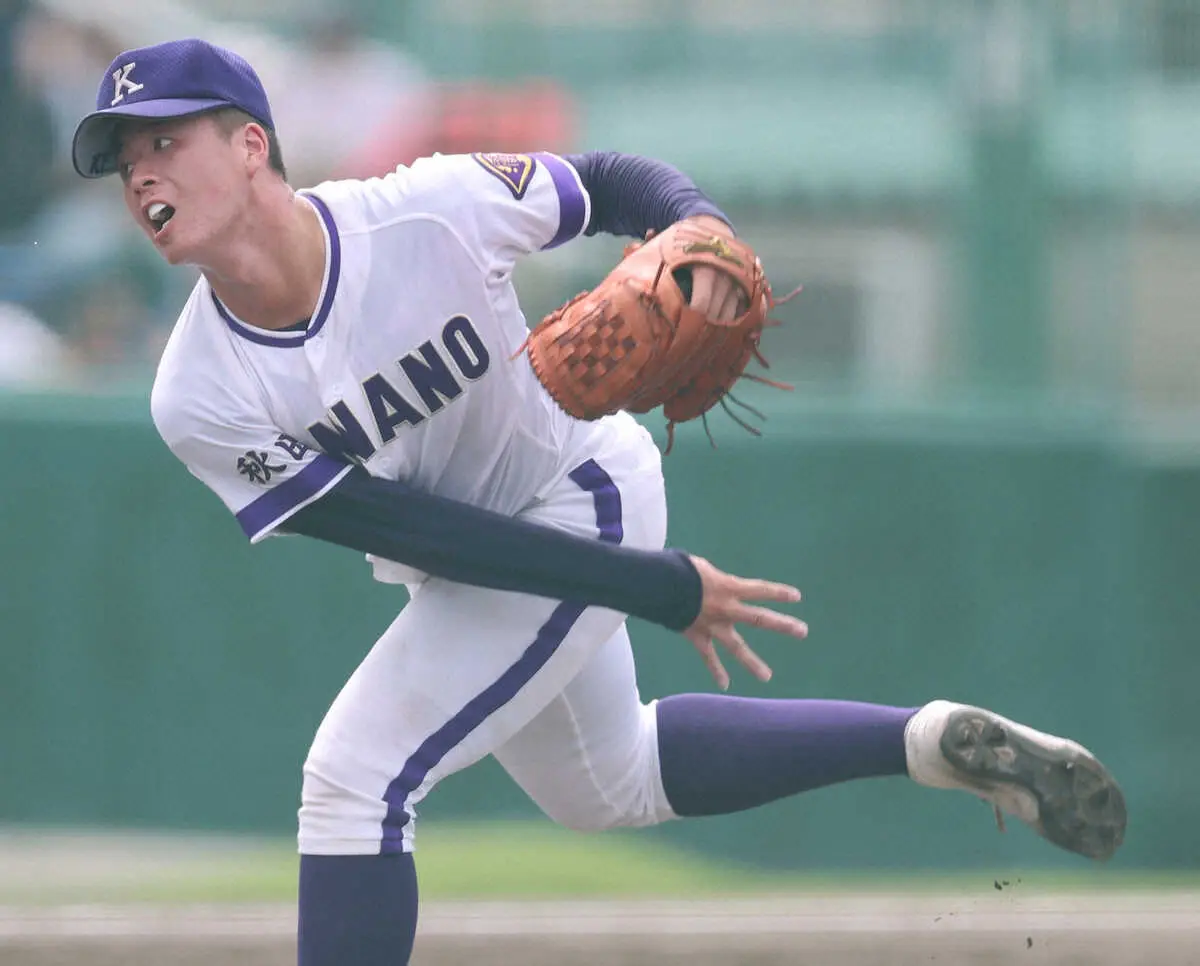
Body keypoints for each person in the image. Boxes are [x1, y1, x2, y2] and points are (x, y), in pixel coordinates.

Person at [72, 38, 1126, 966]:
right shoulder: (197, 394)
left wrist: (702, 232)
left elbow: (614, 182)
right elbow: (414, 532)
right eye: (123, 160)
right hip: (495, 555)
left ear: (251, 144)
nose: (140, 173)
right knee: (607, 785)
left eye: (165, 140)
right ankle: (927, 741)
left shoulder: (427, 211)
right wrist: (651, 587)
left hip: (579, 491)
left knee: (355, 780)